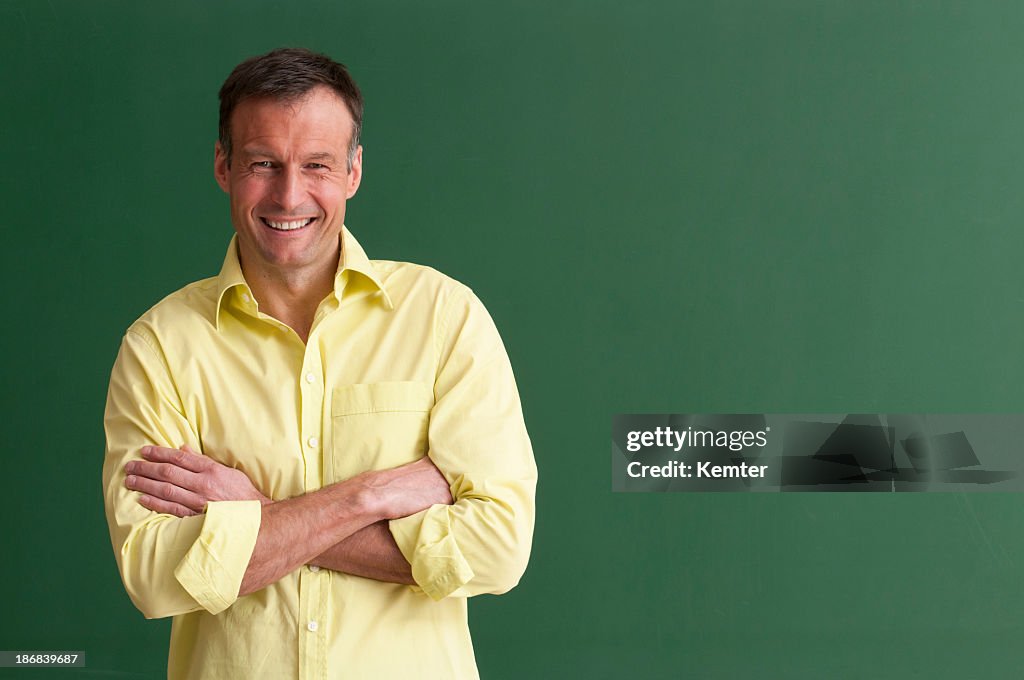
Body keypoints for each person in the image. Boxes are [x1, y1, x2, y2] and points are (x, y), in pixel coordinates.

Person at [101, 47, 536, 680]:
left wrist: (252, 514)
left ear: (354, 171)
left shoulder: (444, 317)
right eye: (262, 163)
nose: (289, 193)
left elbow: (497, 549)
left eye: (317, 165)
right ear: (223, 165)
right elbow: (153, 571)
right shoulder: (161, 347)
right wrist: (372, 495)